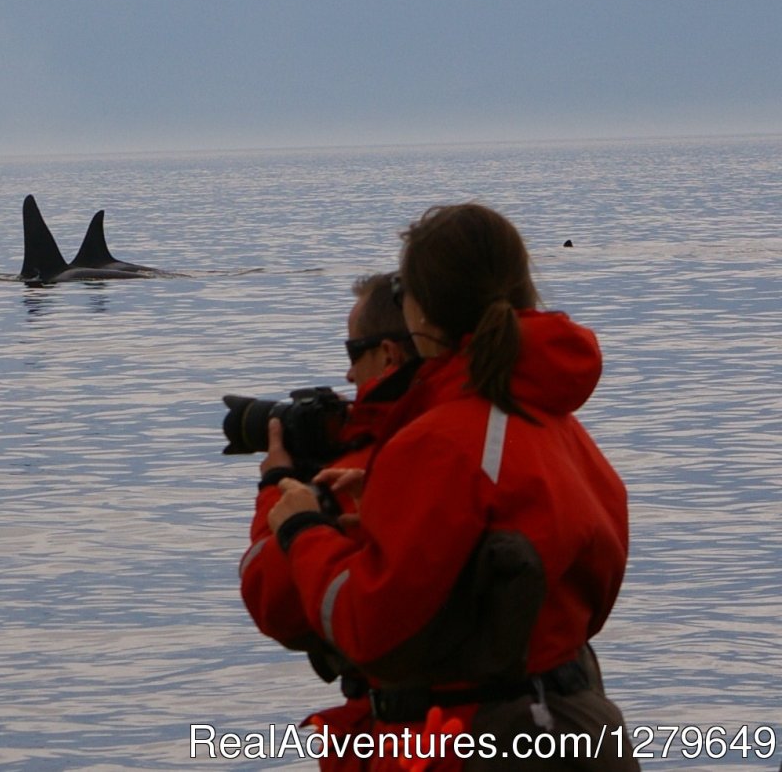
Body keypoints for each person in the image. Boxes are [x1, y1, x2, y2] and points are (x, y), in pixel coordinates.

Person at [265, 203, 639, 771]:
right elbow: (573, 574)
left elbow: (371, 629)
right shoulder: (556, 423)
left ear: (422, 311)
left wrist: (300, 527)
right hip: (576, 726)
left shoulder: (442, 440)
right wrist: (389, 503)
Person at [239, 272, 419, 772]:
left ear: (388, 355)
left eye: (351, 353)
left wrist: (279, 488)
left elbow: (277, 605)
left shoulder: (391, 456)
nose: (346, 379)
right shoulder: (522, 424)